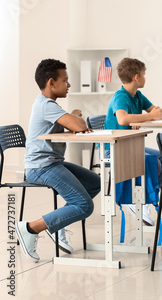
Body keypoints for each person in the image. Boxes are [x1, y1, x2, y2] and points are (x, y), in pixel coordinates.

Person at [16, 59, 101, 262]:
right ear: (52, 82)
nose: (69, 85)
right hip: (41, 167)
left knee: (94, 183)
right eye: (66, 80)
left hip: (52, 163)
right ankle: (30, 228)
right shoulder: (46, 105)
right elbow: (80, 125)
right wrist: (75, 118)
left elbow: (74, 122)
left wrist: (72, 117)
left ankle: (56, 225)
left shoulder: (49, 105)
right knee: (84, 206)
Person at [104, 57, 162, 226]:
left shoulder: (137, 95)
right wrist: (149, 116)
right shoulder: (120, 96)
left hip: (131, 145)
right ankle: (136, 200)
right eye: (144, 74)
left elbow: (152, 109)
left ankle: (148, 195)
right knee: (147, 160)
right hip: (114, 148)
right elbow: (123, 119)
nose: (145, 78)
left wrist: (156, 112)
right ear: (136, 77)